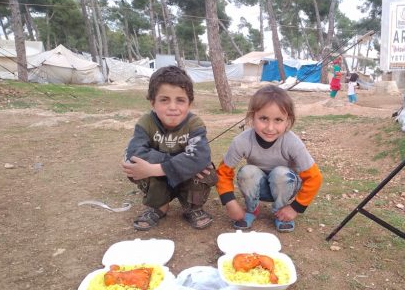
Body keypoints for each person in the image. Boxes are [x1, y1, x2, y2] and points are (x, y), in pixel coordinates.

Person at [216, 85, 323, 233]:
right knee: (247, 171)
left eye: (278, 120)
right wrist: (229, 202)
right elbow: (223, 172)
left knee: (280, 173)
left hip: (286, 186)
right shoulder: (241, 141)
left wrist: (295, 208)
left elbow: (314, 177)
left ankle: (281, 212)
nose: (270, 128)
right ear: (252, 116)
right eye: (264, 118)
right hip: (260, 186)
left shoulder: (293, 142)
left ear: (288, 120)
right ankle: (252, 209)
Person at [122, 66, 217, 231]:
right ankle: (159, 206)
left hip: (186, 178)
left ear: (190, 104)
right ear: (153, 102)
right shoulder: (146, 123)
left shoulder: (195, 124)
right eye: (164, 99)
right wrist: (175, 162)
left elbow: (200, 157)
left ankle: (192, 208)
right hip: (163, 179)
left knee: (205, 169)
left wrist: (158, 167)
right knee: (133, 165)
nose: (173, 107)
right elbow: (135, 153)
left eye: (180, 100)